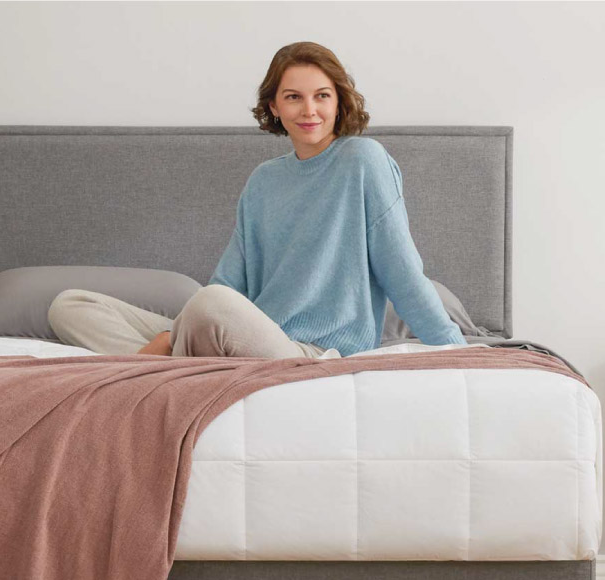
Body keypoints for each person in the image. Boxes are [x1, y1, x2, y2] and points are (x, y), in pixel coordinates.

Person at [48, 41, 465, 359]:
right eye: (293, 97)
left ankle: (159, 362)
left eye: (322, 95)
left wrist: (461, 354)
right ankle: (169, 360)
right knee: (70, 305)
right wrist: (180, 330)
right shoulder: (264, 181)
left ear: (339, 102)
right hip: (249, 333)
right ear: (274, 107)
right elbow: (231, 284)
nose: (310, 109)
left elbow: (405, 274)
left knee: (209, 305)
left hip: (309, 355)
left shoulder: (363, 161)